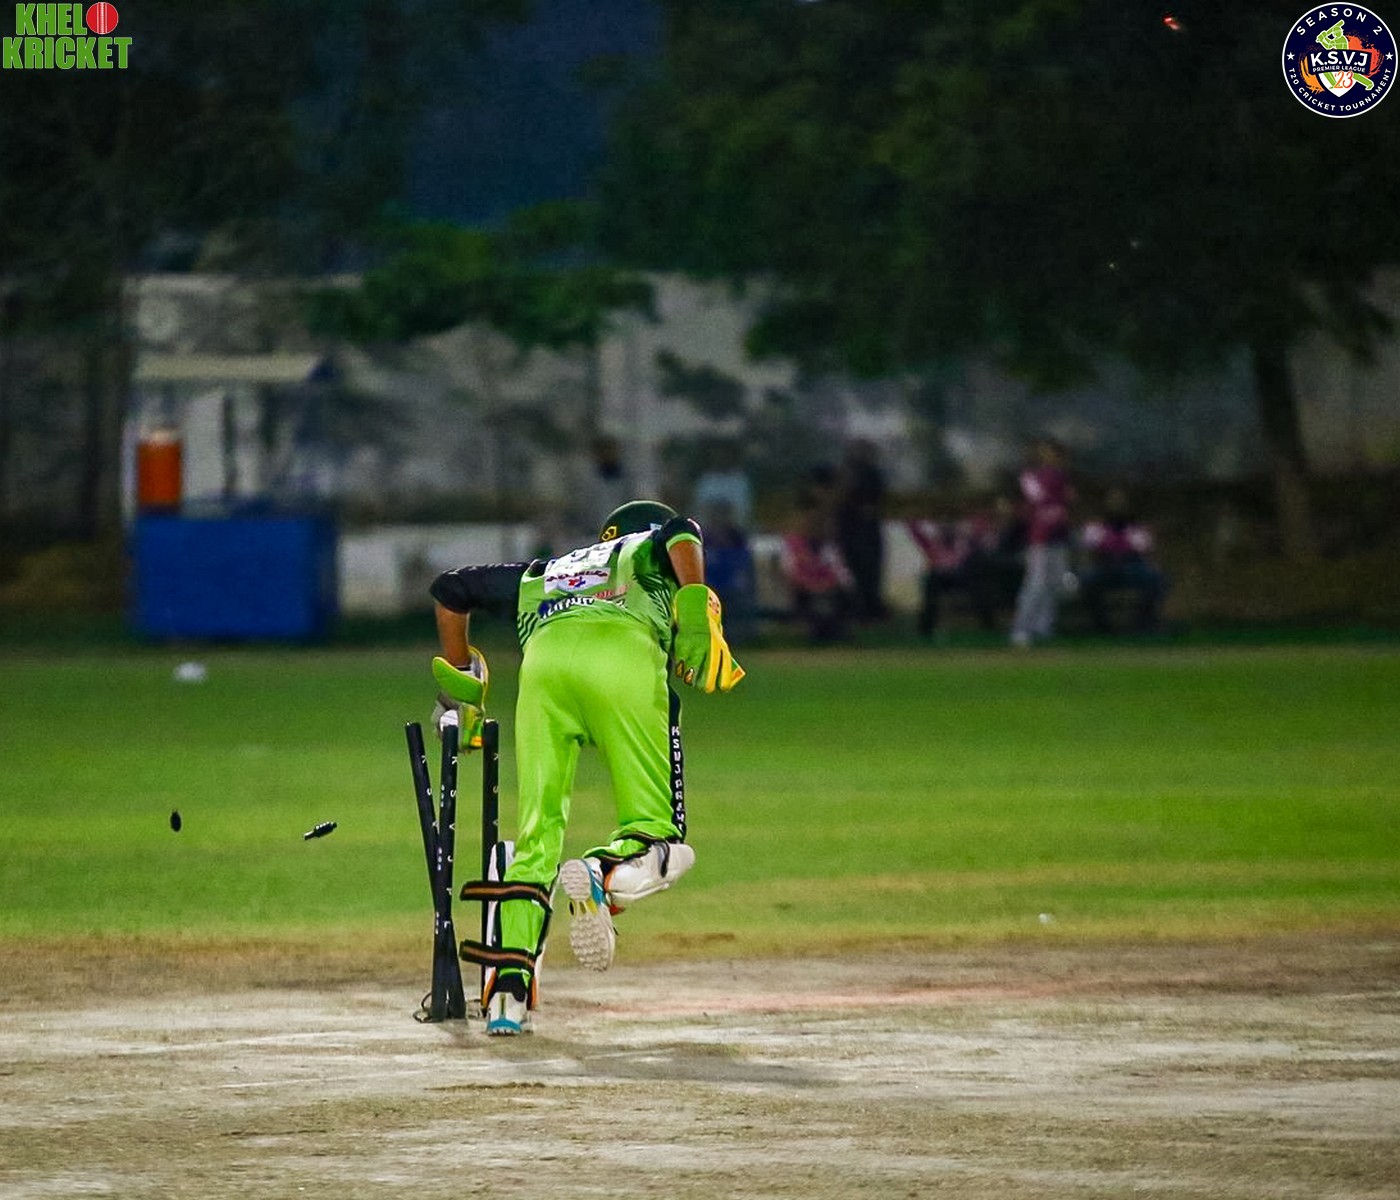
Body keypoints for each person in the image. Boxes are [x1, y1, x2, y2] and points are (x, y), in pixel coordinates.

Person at [429, 500, 745, 1036]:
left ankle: (508, 993)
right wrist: (693, 607)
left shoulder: (544, 571)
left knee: (536, 839)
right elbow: (682, 531)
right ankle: (603, 872)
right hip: (621, 660)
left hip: (543, 674)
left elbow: (450, 590)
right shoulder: (644, 548)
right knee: (660, 836)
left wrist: (463, 677)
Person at [1009, 437, 1076, 648]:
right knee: (1036, 583)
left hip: (1059, 537)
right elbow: (1037, 501)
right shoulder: (1031, 477)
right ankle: (1021, 628)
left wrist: (1062, 515)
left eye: (1053, 453)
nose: (1049, 456)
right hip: (1040, 538)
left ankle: (1043, 627)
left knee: (1054, 584)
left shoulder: (1063, 477)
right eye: (1045, 452)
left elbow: (1066, 504)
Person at [1077, 487, 1169, 633]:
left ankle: (1143, 621)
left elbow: (1147, 554)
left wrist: (1153, 565)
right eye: (1113, 502)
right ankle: (1100, 624)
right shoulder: (1096, 528)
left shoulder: (1136, 529)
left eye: (1120, 502)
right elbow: (1087, 552)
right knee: (1086, 580)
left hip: (1131, 568)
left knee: (1156, 579)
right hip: (1104, 568)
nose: (1117, 506)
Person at [904, 512, 999, 637]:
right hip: (943, 578)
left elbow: (982, 532)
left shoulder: (966, 540)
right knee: (932, 582)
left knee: (979, 584)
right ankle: (926, 628)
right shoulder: (934, 543)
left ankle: (988, 625)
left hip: (964, 575)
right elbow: (916, 532)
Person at [780, 498, 855, 643]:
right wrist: (810, 585)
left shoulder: (828, 546)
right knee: (803, 597)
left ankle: (837, 631)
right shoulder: (792, 545)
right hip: (803, 588)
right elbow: (789, 571)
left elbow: (840, 572)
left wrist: (826, 585)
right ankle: (813, 631)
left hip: (826, 587)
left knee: (842, 596)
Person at [834, 440, 888, 622]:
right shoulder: (846, 473)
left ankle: (868, 608)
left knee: (868, 573)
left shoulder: (871, 474)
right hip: (852, 531)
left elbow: (875, 501)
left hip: (864, 531)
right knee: (854, 572)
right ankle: (858, 608)